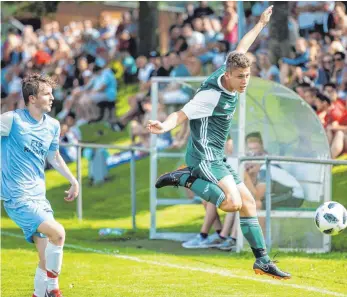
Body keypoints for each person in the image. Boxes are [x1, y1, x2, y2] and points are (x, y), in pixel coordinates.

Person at [147, 6, 291, 279]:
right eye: (240, 77)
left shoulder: (231, 68)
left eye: (247, 76)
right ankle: (184, 178)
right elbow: (181, 113)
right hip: (203, 158)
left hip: (216, 157)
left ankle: (262, 260)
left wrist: (260, 23)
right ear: (227, 75)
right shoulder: (211, 95)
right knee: (231, 204)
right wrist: (163, 125)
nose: (245, 81)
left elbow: (242, 46)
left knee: (249, 203)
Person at [1, 74, 79, 297]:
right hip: (17, 198)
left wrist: (73, 180)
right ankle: (54, 290)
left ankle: (39, 294)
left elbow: (54, 156)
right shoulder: (12, 120)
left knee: (45, 259)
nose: (52, 98)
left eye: (52, 93)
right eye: (47, 94)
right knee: (59, 233)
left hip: (39, 198)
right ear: (32, 98)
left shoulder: (53, 125)